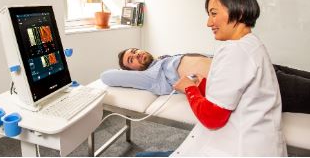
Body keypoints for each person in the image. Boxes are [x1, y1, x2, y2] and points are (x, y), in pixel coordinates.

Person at [171, 0, 287, 156]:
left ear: (238, 11)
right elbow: (234, 93)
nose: (209, 23)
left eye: (213, 13)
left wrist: (189, 88)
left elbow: (212, 117)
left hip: (241, 149)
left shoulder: (235, 50)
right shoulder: (252, 43)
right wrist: (203, 85)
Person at [102, 48, 310, 113]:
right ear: (132, 71)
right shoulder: (149, 78)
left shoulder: (163, 60)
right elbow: (107, 76)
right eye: (131, 59)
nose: (136, 55)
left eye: (135, 50)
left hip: (252, 66)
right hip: (250, 84)